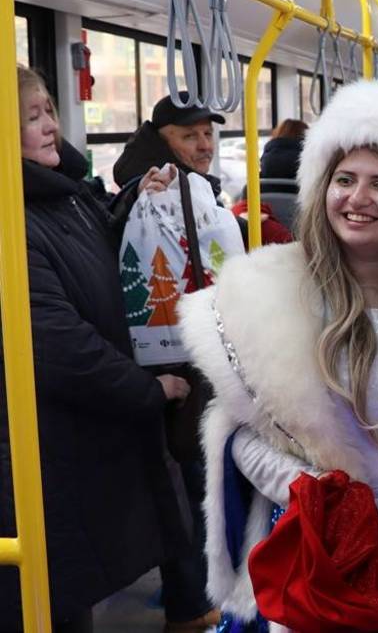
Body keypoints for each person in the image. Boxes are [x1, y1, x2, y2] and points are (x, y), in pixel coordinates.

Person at [178, 80, 378, 631]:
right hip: (324, 549)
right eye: (344, 179)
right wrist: (310, 491)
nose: (357, 199)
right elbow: (237, 438)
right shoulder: (268, 297)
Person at [0, 67, 191, 632]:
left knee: (70, 593)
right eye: (31, 118)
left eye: (50, 112)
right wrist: (147, 390)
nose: (50, 127)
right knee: (49, 599)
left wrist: (134, 208)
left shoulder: (66, 197)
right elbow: (58, 343)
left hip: (80, 441)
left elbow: (98, 258)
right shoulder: (12, 217)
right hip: (44, 447)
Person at [111, 93, 227, 630]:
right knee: (188, 485)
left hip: (195, 356)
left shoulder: (200, 189)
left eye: (208, 134)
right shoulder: (150, 191)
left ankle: (201, 594)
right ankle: (192, 603)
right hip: (173, 367)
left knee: (198, 483)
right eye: (190, 136)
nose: (203, 145)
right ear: (163, 142)